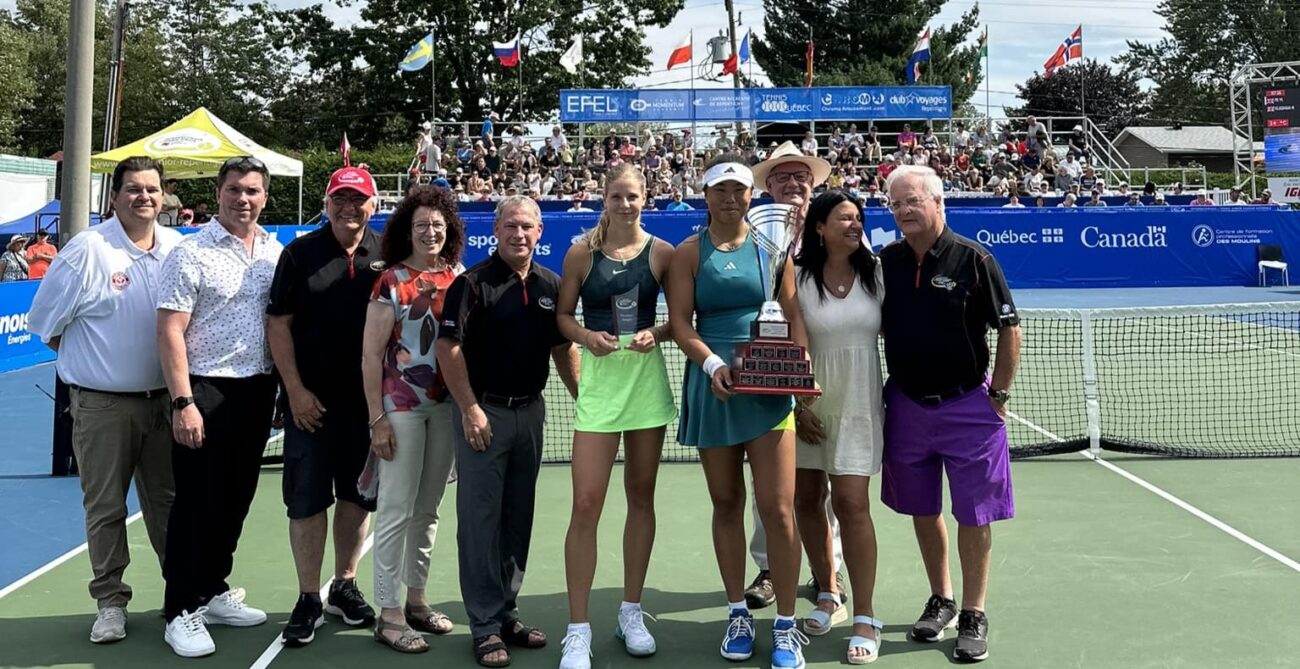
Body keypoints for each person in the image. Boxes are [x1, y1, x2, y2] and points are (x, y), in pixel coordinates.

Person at [26, 156, 182, 645]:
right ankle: (111, 602)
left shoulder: (178, 248)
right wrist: (98, 371)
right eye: (133, 189)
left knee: (171, 505)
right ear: (114, 198)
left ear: (164, 196)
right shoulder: (86, 251)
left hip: (166, 404)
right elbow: (45, 326)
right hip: (102, 407)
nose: (144, 197)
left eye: (152, 189)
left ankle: (183, 597)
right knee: (106, 507)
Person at [666, 155, 807, 669]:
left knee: (779, 510)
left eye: (739, 190)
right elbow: (682, 324)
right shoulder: (687, 254)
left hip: (770, 388)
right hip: (715, 386)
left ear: (753, 195)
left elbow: (791, 314)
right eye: (720, 190)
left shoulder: (774, 249)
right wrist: (710, 366)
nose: (730, 198)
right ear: (706, 196)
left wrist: (800, 364)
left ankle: (787, 626)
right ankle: (737, 614)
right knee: (726, 503)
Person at [879, 165, 1021, 663]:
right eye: (895, 204)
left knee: (974, 513)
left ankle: (974, 611)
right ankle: (941, 598)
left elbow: (1010, 329)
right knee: (922, 508)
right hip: (906, 405)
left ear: (938, 202)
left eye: (911, 201)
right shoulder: (887, 261)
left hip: (968, 407)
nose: (902, 211)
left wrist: (998, 396)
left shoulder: (976, 259)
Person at [436, 195, 580, 667]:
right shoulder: (472, 284)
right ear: (496, 230)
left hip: (531, 414)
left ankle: (505, 613)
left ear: (540, 232)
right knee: (480, 523)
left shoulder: (550, 284)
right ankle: (483, 626)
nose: (519, 235)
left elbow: (562, 348)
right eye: (511, 226)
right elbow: (449, 348)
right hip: (485, 415)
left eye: (528, 227)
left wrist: (585, 399)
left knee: (517, 517)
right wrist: (470, 409)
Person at [156, 156, 284, 658]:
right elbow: (169, 330)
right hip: (204, 390)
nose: (243, 199)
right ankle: (180, 610)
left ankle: (211, 591)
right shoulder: (190, 254)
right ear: (218, 193)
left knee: (236, 498)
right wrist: (183, 401)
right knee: (195, 503)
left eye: (252, 191)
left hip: (256, 392)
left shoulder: (275, 252)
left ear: (265, 197)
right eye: (234, 190)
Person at [555, 164, 677, 669]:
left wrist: (660, 333)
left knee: (640, 496)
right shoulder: (581, 252)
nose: (624, 204)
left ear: (645, 198)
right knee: (586, 504)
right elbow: (562, 317)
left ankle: (631, 610)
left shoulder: (664, 254)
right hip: (601, 390)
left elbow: (683, 320)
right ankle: (577, 629)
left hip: (646, 385)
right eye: (616, 196)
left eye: (632, 196)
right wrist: (587, 338)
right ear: (603, 199)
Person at [266, 166, 384, 647]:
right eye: (340, 198)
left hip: (369, 408)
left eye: (358, 200)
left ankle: (345, 584)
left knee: (358, 498)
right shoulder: (299, 254)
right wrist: (294, 390)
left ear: (373, 205)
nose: (349, 207)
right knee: (308, 501)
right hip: (309, 406)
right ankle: (309, 597)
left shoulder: (388, 252)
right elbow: (278, 325)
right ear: (327, 203)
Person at [778, 190, 885, 664]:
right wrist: (798, 403)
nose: (855, 224)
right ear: (819, 227)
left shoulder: (877, 274)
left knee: (851, 504)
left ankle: (865, 616)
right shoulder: (797, 277)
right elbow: (782, 338)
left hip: (860, 403)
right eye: (844, 218)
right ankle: (828, 592)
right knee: (805, 499)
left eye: (858, 218)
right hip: (807, 407)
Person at [362, 185, 466, 653]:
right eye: (422, 225)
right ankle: (388, 613)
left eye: (438, 226)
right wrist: (376, 419)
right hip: (400, 407)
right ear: (408, 228)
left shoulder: (459, 277)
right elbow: (369, 357)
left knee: (427, 511)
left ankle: (417, 601)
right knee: (396, 510)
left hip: (446, 409)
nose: (430, 232)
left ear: (450, 232)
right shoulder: (391, 281)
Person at [745, 140, 844, 615]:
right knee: (773, 482)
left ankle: (830, 568)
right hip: (769, 371)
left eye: (800, 177)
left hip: (829, 370)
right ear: (767, 186)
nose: (793, 184)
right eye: (782, 177)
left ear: (813, 184)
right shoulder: (753, 234)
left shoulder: (837, 231)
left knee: (826, 474)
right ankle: (769, 569)